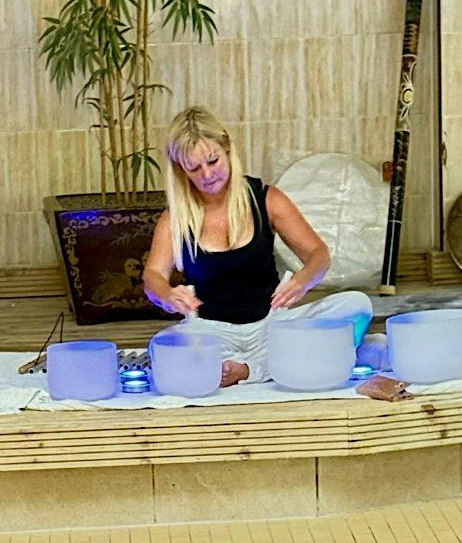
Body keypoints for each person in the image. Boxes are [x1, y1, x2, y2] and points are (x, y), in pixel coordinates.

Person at [142, 105, 398, 392]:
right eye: (194, 168)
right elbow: (153, 275)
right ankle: (313, 355)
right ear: (181, 171)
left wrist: (303, 281)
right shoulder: (175, 217)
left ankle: (248, 368)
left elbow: (318, 255)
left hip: (273, 326)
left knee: (356, 306)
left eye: (213, 161)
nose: (207, 174)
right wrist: (166, 294)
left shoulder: (266, 199)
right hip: (210, 334)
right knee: (161, 350)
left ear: (227, 148)